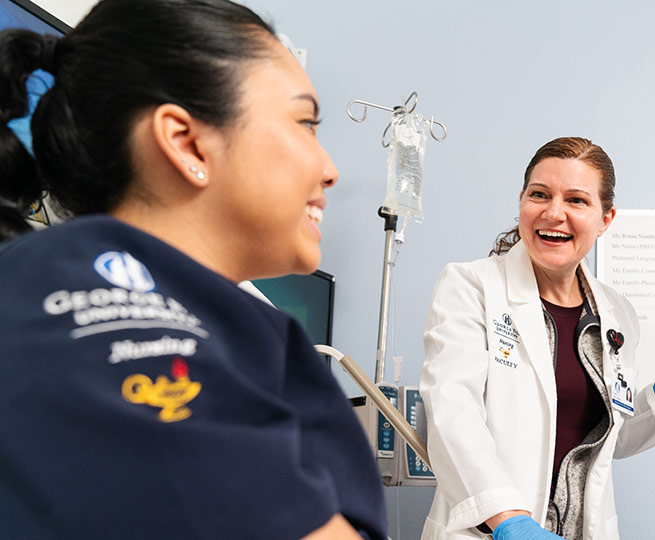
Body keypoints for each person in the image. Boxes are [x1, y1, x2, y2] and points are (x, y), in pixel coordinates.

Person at [0, 1, 387, 538]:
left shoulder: (236, 320)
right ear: (186, 142)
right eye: (305, 123)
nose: (330, 170)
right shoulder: (87, 288)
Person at [420, 136, 655, 540]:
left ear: (605, 219)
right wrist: (507, 518)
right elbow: (452, 415)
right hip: (489, 531)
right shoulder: (471, 286)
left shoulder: (615, 313)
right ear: (521, 202)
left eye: (577, 200)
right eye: (540, 195)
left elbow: (606, 439)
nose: (553, 213)